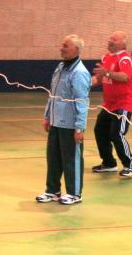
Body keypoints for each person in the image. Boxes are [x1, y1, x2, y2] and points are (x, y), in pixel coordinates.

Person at [36, 34, 91, 206]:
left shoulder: (80, 73)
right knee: (53, 158)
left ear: (75, 49)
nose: (61, 48)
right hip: (55, 122)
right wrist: (47, 116)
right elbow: (52, 95)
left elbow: (82, 102)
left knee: (71, 159)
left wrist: (80, 128)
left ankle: (75, 193)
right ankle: (53, 190)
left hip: (70, 125)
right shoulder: (60, 68)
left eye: (65, 46)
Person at [90, 30, 132, 177]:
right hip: (108, 104)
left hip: (123, 104)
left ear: (122, 43)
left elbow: (124, 77)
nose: (110, 41)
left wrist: (107, 73)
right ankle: (109, 163)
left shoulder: (125, 58)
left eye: (114, 40)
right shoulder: (106, 58)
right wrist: (83, 83)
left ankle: (130, 164)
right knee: (99, 130)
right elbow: (98, 78)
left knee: (117, 133)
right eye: (110, 39)